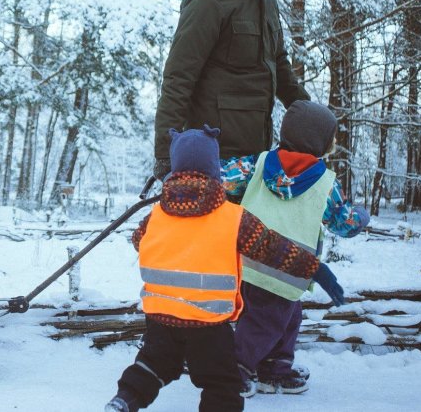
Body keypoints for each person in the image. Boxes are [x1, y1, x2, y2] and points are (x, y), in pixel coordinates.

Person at [104, 126, 345, 412]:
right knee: (223, 383)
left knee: (152, 365)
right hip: (208, 325)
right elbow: (273, 248)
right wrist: (313, 268)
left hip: (160, 316)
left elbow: (139, 241)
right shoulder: (233, 218)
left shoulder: (155, 215)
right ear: (214, 168)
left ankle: (124, 400)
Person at [222, 100, 370, 396]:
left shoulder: (259, 163)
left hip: (245, 264)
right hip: (287, 273)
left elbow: (225, 180)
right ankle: (233, 373)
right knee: (263, 324)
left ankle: (274, 369)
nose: (335, 142)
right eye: (332, 137)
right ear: (319, 141)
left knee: (286, 319)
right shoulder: (325, 184)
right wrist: (361, 217)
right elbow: (343, 222)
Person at [152, 0, 310, 184]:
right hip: (214, 154)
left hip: (257, 151)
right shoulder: (207, 1)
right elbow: (179, 78)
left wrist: (310, 114)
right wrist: (166, 154)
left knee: (249, 228)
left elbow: (279, 62)